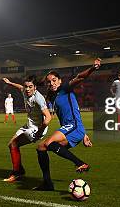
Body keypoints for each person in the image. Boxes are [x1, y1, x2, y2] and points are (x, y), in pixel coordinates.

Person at [34, 59, 100, 191]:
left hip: (73, 127)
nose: (51, 83)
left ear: (59, 81)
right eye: (49, 82)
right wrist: (84, 135)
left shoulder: (65, 89)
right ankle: (47, 183)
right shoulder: (52, 97)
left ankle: (80, 163)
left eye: (54, 80)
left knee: (49, 142)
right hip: (71, 128)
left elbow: (79, 77)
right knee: (41, 147)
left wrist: (93, 68)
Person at [2, 76, 51, 183]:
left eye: (30, 87)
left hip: (36, 129)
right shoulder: (24, 90)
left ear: (35, 87)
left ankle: (17, 172)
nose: (27, 89)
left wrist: (40, 132)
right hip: (28, 125)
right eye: (26, 86)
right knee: (11, 144)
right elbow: (20, 87)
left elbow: (48, 117)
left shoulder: (38, 98)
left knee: (14, 144)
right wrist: (10, 83)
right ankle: (19, 170)